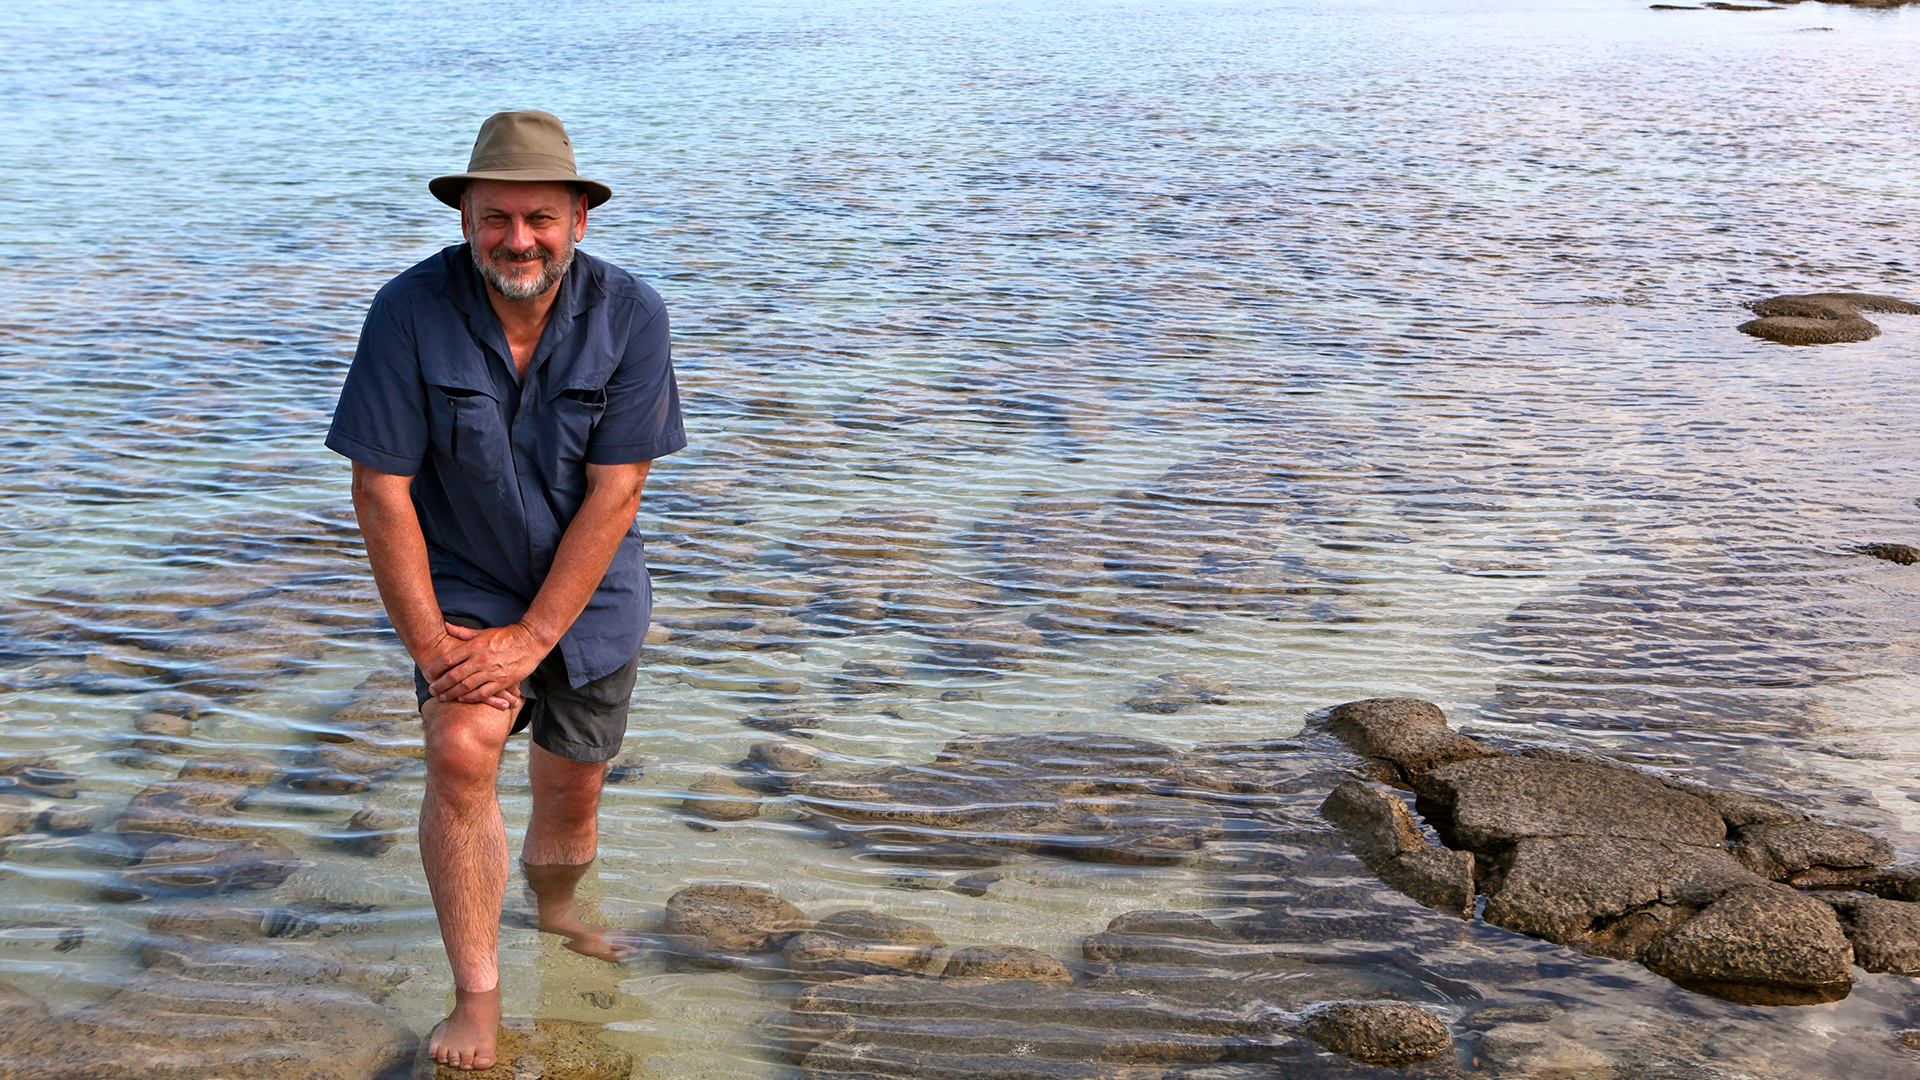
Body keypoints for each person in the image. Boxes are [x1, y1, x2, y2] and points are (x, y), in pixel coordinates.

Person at [326, 110, 685, 1072]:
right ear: (465, 219)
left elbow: (618, 491)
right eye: (495, 217)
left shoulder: (632, 313)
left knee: (570, 789)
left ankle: (558, 913)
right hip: (463, 579)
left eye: (539, 217)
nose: (517, 239)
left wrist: (533, 638)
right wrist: (435, 651)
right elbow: (379, 488)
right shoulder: (408, 310)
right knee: (459, 746)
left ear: (578, 220)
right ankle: (477, 994)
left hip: (592, 590)